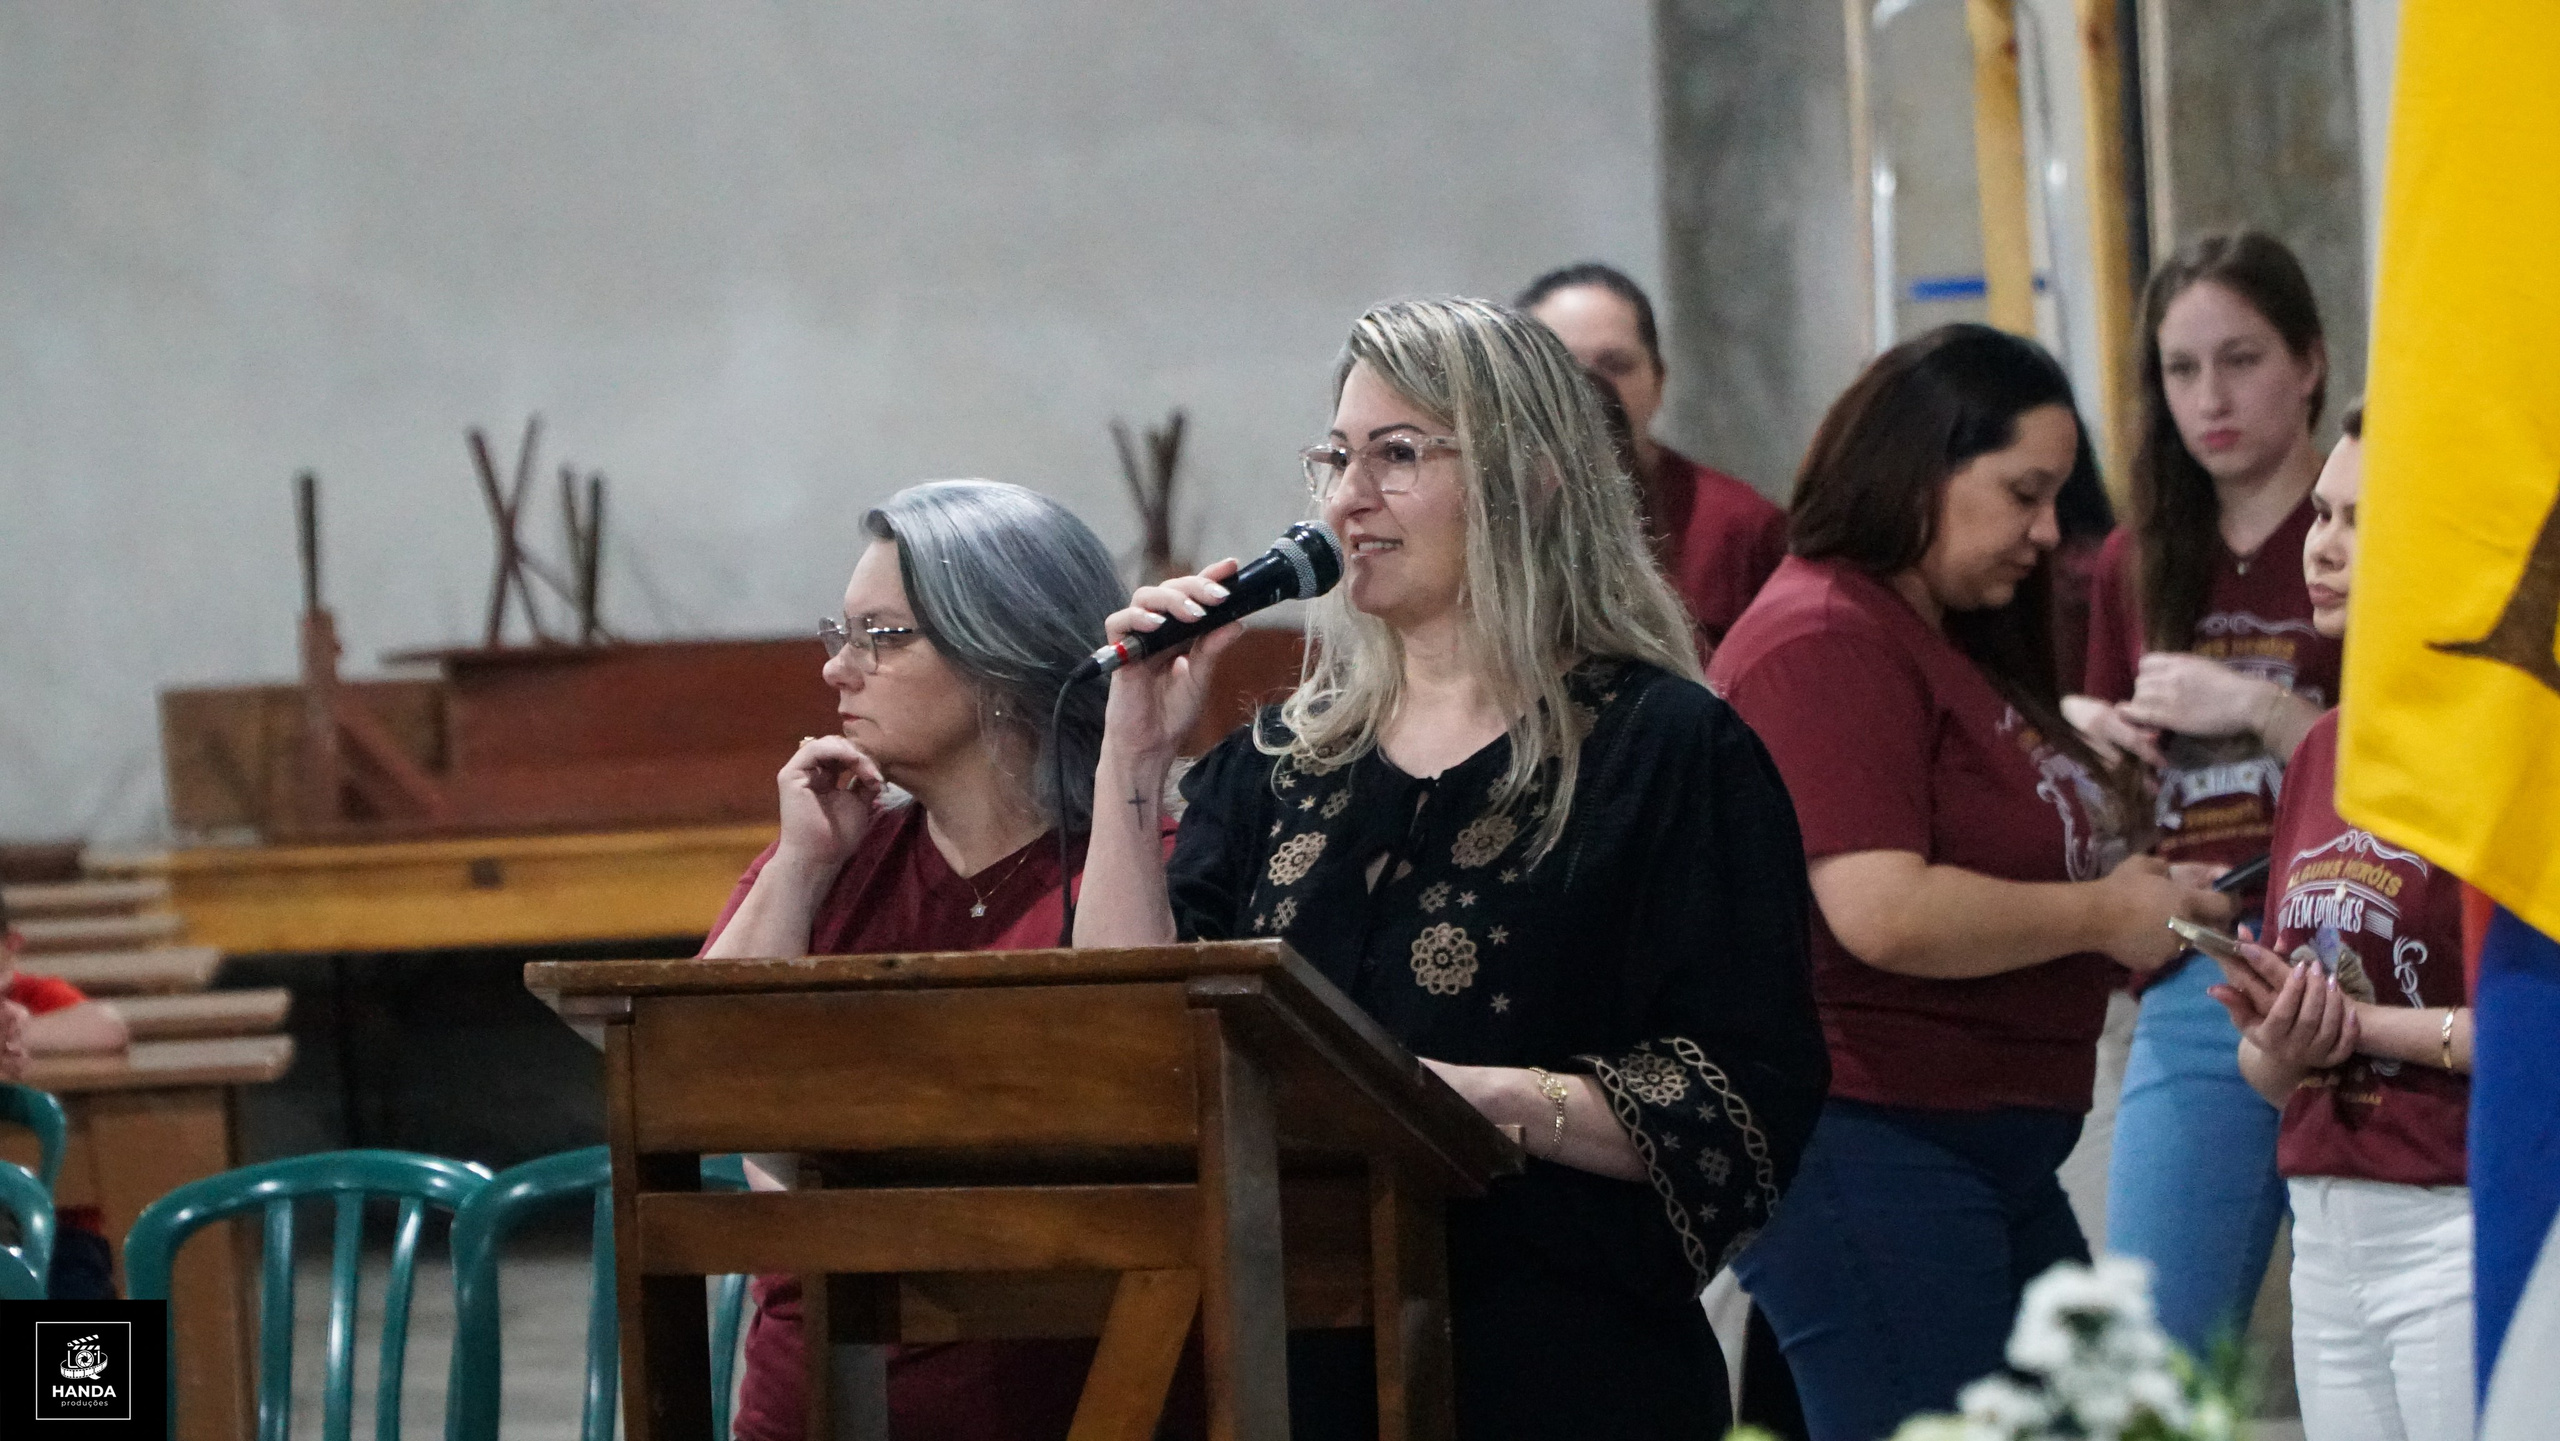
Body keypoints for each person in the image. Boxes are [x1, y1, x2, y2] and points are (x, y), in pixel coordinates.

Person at [1075, 295, 1829, 1439]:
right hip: (1282, 1371)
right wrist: (1132, 756)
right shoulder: (1279, 761)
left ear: (1530, 477)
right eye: (1335, 456)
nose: (1345, 498)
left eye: (1397, 454)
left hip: (1559, 1368)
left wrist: (1452, 1100)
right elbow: (1124, 1044)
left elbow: (1746, 1098)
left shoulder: (1666, 747)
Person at [1706, 324, 2236, 1441]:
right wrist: (2109, 913)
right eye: (2022, 494)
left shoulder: (1935, 635)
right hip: (1870, 1134)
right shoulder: (1821, 637)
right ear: (1918, 466)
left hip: (1979, 1142)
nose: (2047, 533)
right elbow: (1881, 909)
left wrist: (2139, 890)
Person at [699, 479, 1166, 1441]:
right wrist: (798, 867)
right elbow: (690, 1072)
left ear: (1001, 656)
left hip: (1069, 1392)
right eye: (843, 631)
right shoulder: (832, 855)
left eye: (883, 636)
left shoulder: (1145, 865)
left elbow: (1141, 1089)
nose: (839, 669)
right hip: (816, 1393)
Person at [2064, 231, 2342, 1355]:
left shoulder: (2360, 528)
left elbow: (2431, 761)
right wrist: (2082, 736)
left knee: (2368, 1341)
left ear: (2308, 362)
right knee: (2156, 1340)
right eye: (2181, 371)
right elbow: (2107, 805)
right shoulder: (2139, 557)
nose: (2209, 398)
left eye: (2240, 359)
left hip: (2355, 937)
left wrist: (2260, 706)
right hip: (2200, 954)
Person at [2207, 404, 2475, 1441]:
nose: (2320, 543)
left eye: (2358, 519)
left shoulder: (2508, 750)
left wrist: (2359, 1030)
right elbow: (2270, 1071)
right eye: (2320, 511)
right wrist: (2279, 1038)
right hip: (2322, 1228)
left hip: (2459, 1221)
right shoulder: (2321, 750)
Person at [1519, 263, 1786, 648]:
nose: (1590, 388)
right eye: (1560, 367)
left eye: (1615, 365)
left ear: (1659, 380)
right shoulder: (1474, 520)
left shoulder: (1742, 529)